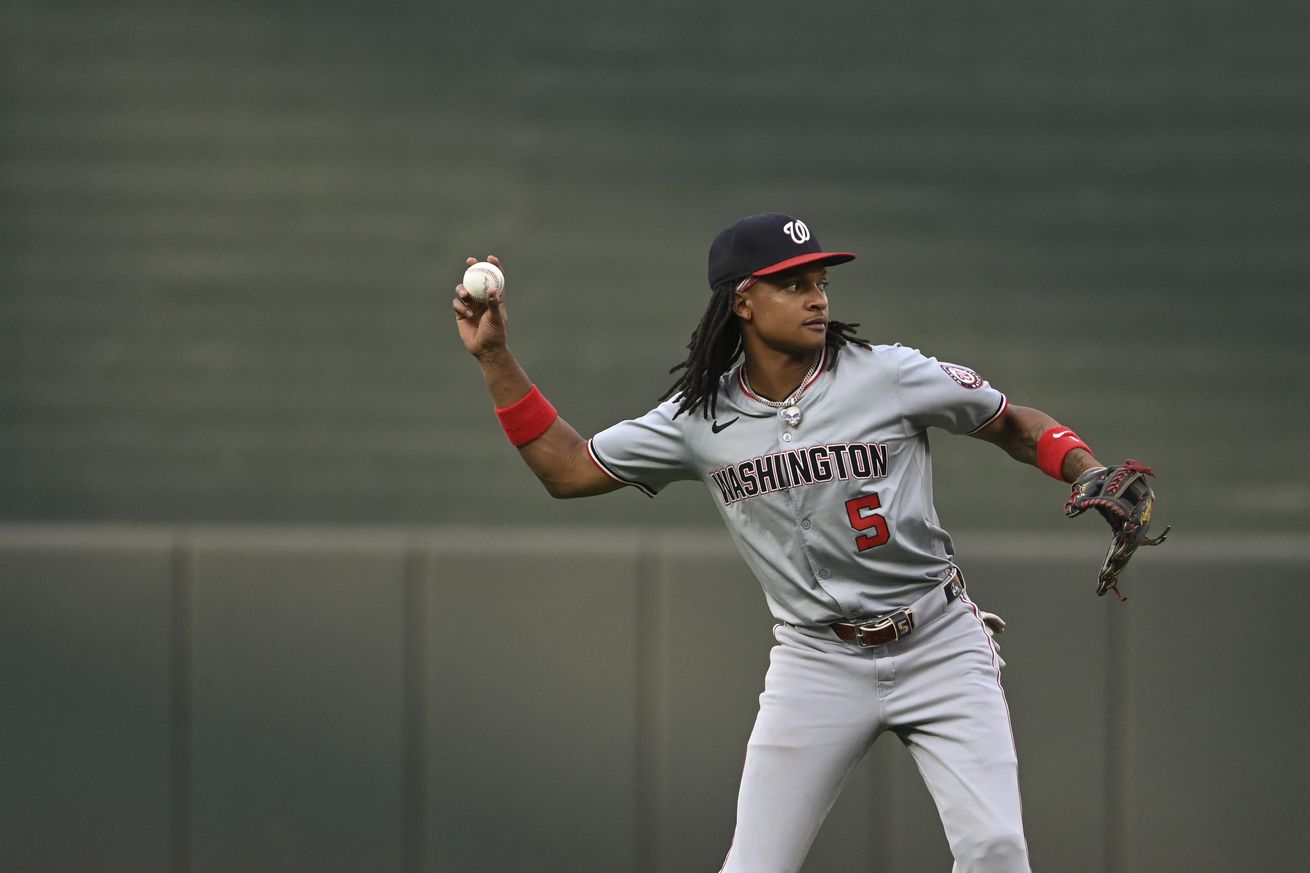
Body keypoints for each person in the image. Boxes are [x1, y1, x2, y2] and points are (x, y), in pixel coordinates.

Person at [451, 212, 1109, 873]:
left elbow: (1013, 424)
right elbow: (567, 468)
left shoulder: (890, 374)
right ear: (743, 300)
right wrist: (494, 357)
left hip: (937, 638)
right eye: (792, 284)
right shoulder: (699, 418)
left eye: (819, 280)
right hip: (816, 660)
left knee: (996, 850)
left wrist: (1086, 467)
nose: (817, 296)